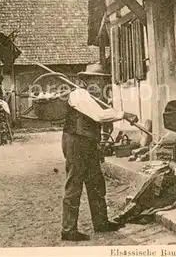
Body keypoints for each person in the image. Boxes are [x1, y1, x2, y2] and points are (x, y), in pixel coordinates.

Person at [61, 74, 139, 241]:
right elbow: (99, 116)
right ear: (85, 80)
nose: (98, 84)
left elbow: (99, 119)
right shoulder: (79, 94)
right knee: (74, 183)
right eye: (94, 80)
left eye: (101, 81)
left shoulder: (92, 97)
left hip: (88, 143)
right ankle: (68, 230)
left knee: (96, 182)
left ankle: (101, 223)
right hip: (76, 142)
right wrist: (124, 114)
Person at [113, 99, 176, 224]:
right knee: (156, 178)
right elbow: (172, 161)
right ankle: (132, 210)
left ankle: (143, 212)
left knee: (169, 190)